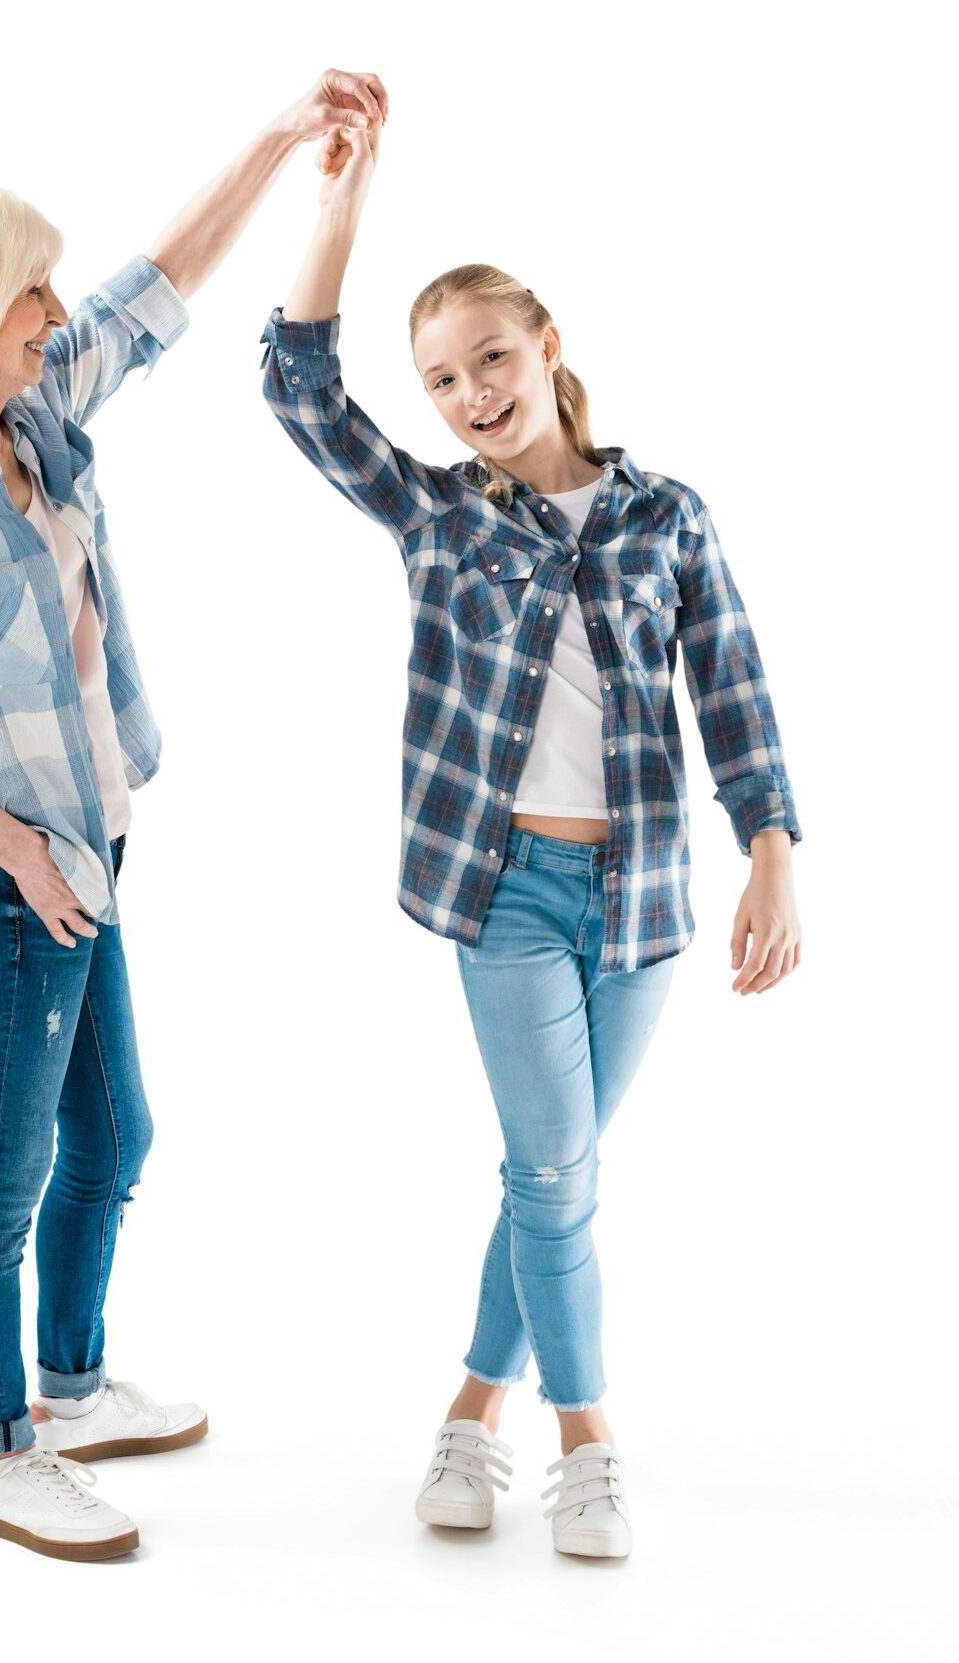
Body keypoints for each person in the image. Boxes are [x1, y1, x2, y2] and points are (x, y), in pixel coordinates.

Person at [0, 69, 389, 1563]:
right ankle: (1, 1452)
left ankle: (72, 1389)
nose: (53, 307)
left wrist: (282, 143)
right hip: (12, 890)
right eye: (28, 286)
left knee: (117, 1129)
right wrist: (16, 853)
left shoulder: (38, 413)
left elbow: (162, 288)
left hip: (94, 851)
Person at [260, 116, 802, 1559]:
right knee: (558, 1173)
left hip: (641, 911)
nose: (468, 396)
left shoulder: (666, 519)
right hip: (502, 894)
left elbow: (733, 688)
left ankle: (462, 1413)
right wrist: (345, 196)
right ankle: (589, 1442)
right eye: (439, 380)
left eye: (490, 360)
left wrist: (772, 851)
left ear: (549, 344)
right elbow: (303, 393)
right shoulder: (438, 519)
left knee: (544, 1172)